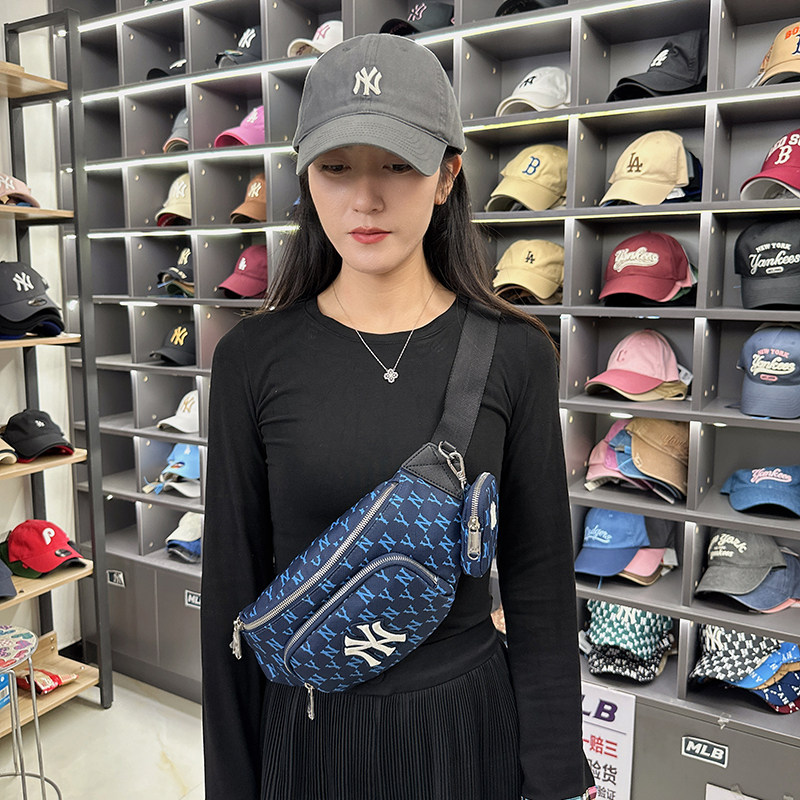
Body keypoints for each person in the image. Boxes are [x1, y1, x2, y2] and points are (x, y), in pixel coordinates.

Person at [201, 32, 594, 800]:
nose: (365, 199)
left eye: (397, 165)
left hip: (467, 729)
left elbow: (541, 585)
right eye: (336, 167)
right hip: (309, 732)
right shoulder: (251, 358)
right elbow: (231, 597)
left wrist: (554, 779)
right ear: (305, 175)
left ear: (447, 175)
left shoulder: (516, 353)